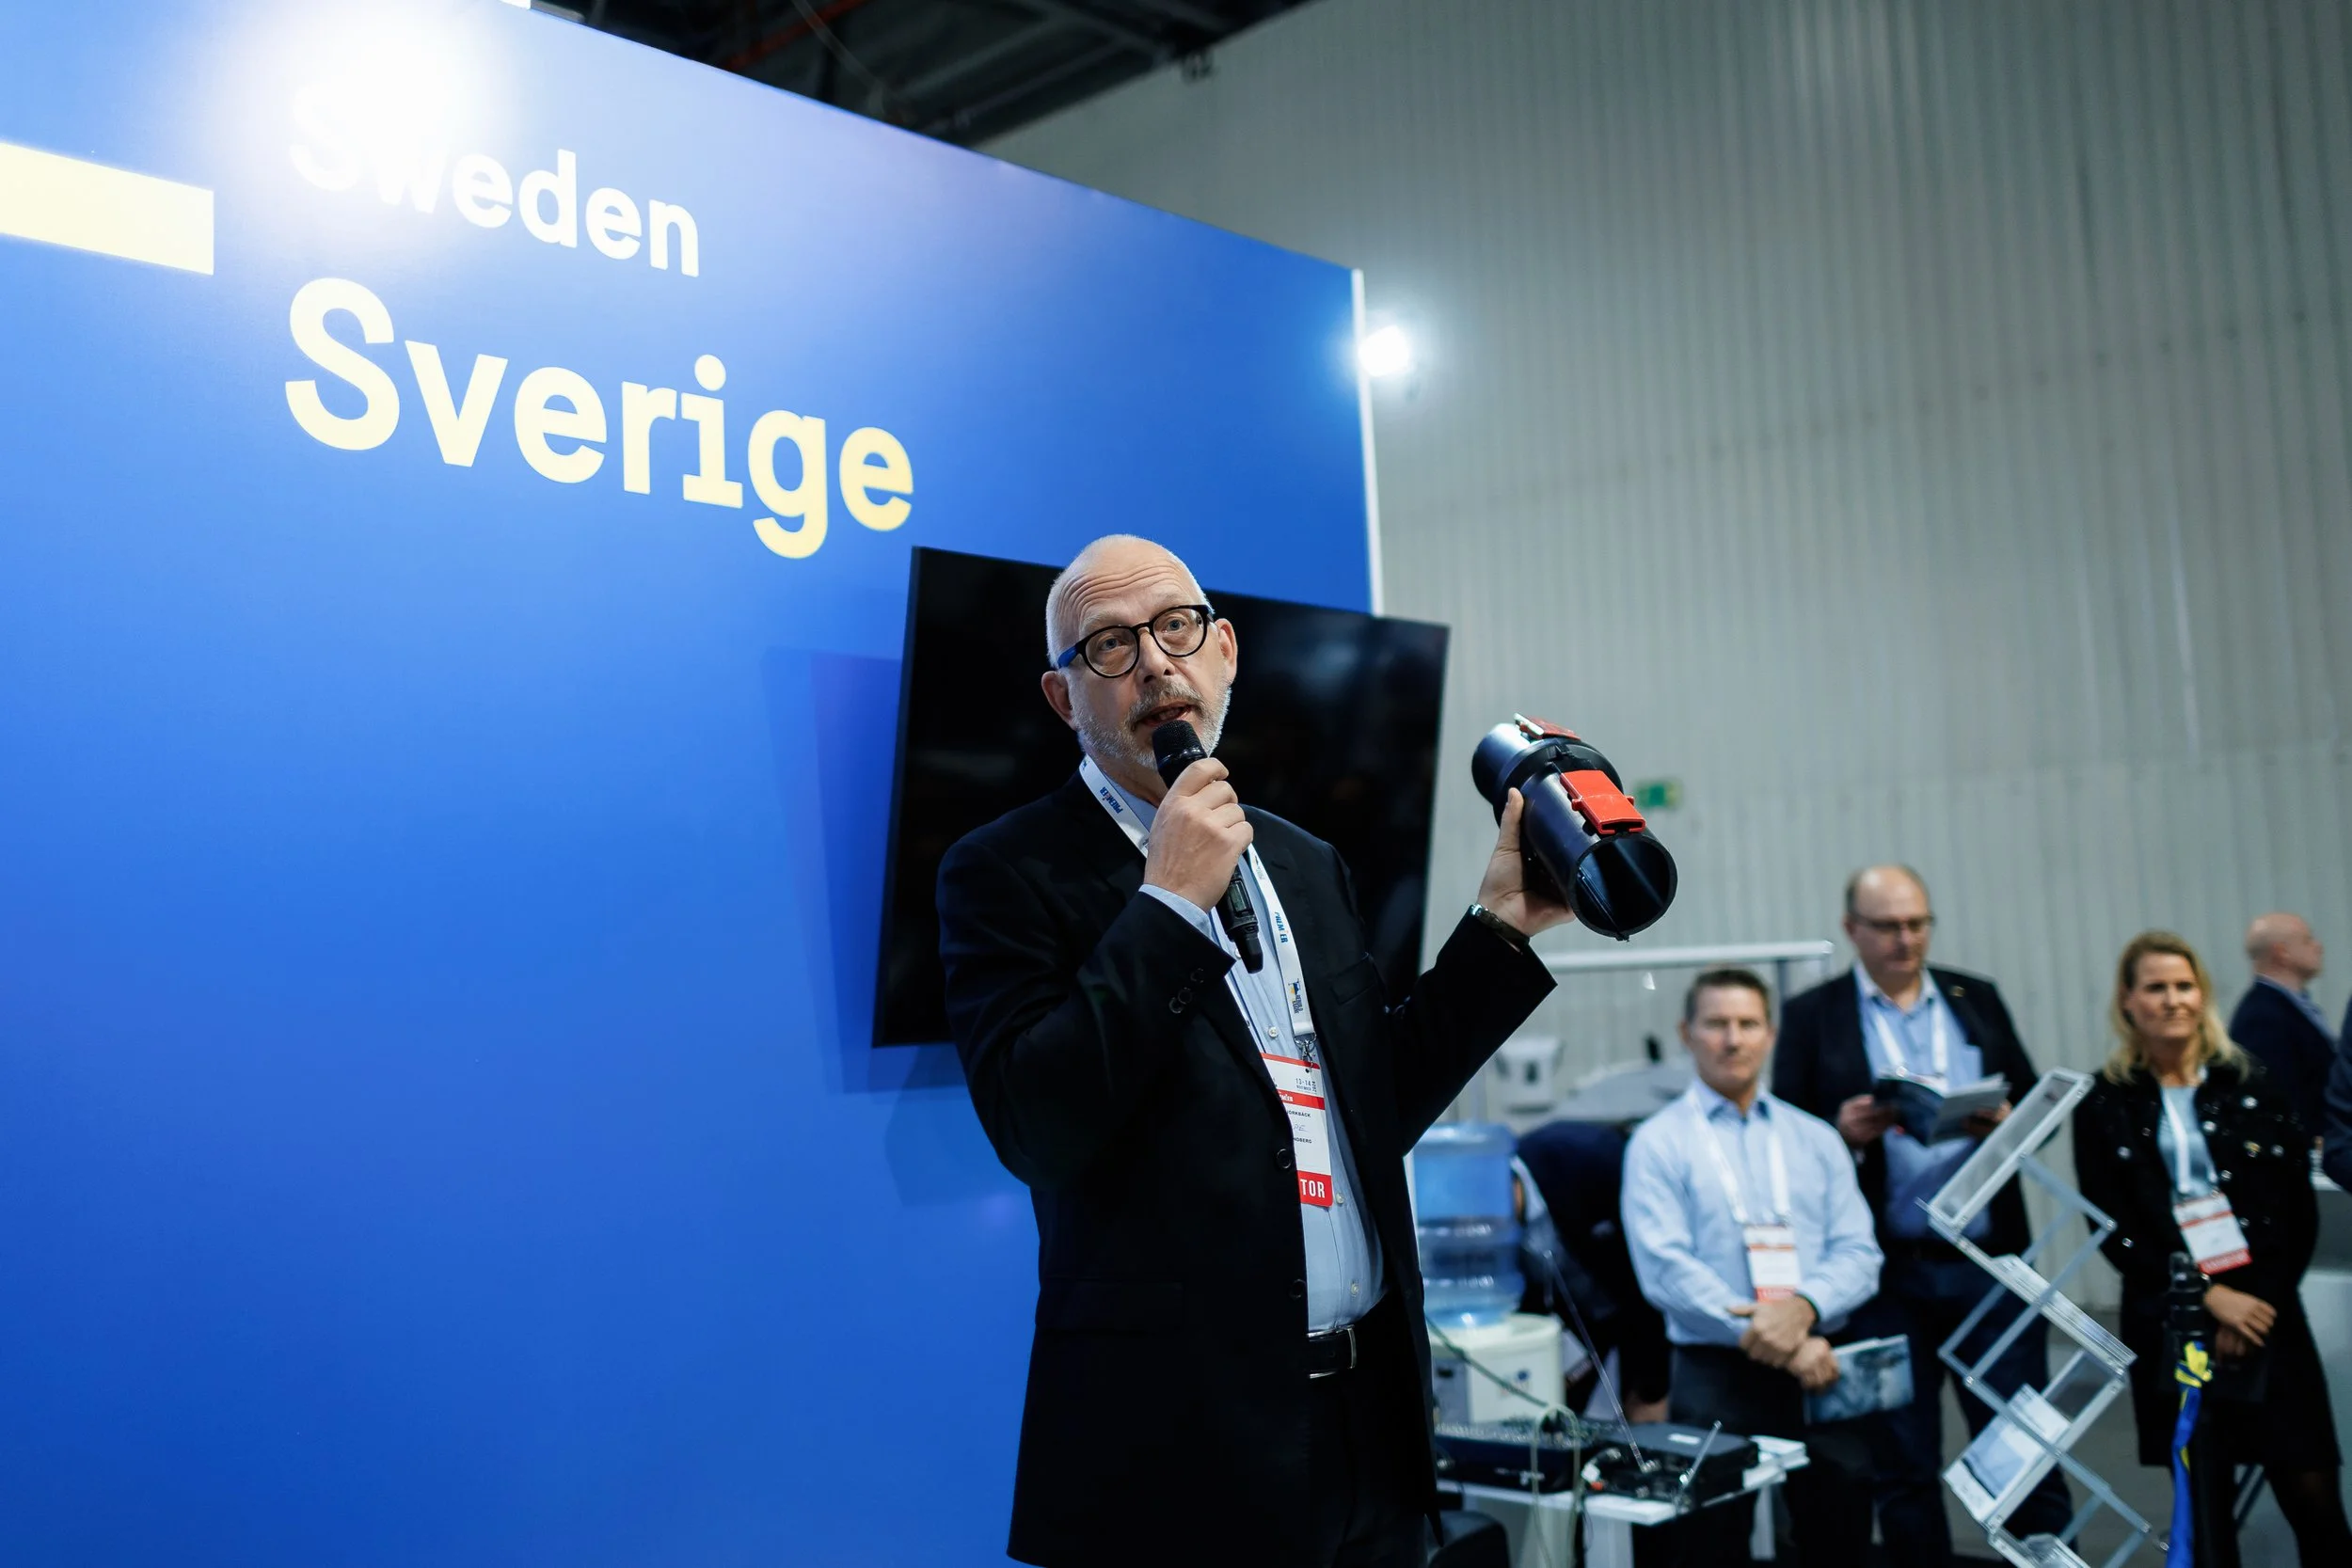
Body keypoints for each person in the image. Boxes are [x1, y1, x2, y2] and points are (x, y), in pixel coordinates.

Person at [937, 535, 1568, 1568]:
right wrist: (1169, 901)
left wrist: (1497, 929)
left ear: (1225, 649)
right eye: (1108, 644)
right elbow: (1037, 1124)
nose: (1152, 662)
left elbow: (1373, 1101)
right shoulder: (1003, 870)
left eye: (1175, 627)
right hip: (1180, 1452)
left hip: (1368, 1421)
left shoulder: (1305, 860)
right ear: (1063, 699)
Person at [1771, 864, 2072, 1557]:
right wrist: (1837, 1130)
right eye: (1888, 926)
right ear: (1852, 930)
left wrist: (2007, 1121)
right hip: (1885, 1275)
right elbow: (1785, 1136)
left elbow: (2041, 1111)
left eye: (1918, 923)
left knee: (2022, 1446)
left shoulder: (1975, 997)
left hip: (1988, 1265)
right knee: (1901, 1462)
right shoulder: (1817, 1014)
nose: (1907, 939)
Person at [2074, 931, 2352, 1565]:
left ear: (2203, 994)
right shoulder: (2105, 1101)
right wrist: (2209, 1298)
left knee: (2315, 1499)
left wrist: (2252, 1301)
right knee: (2205, 1513)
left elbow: (2294, 1210)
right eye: (2156, 987)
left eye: (2184, 985)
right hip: (2173, 1321)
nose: (2173, 1000)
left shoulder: (2251, 1079)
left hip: (2269, 1318)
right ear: (2127, 1001)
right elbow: (2116, 1225)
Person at [1622, 969, 1882, 1565]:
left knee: (1839, 1533)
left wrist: (1802, 1311)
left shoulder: (1815, 1138)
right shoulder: (1658, 1144)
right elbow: (1665, 1270)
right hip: (1716, 1372)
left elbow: (1860, 1253)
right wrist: (1780, 1337)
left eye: (1747, 1024)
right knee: (1710, 1543)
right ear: (1686, 1033)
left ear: (1770, 1034)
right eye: (1716, 1024)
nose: (1732, 1039)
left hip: (1821, 1370)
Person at [1514, 1119, 1671, 1423]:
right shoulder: (1489, 1239)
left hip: (1646, 1309)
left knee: (1647, 1421)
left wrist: (1653, 1389)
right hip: (1577, 1322)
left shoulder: (1586, 1158)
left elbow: (1650, 1274)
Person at [2229, 912, 2332, 1139]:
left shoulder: (2290, 1007)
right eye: (2307, 940)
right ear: (2282, 952)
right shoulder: (2262, 1017)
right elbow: (2279, 1093)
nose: (2318, 947)